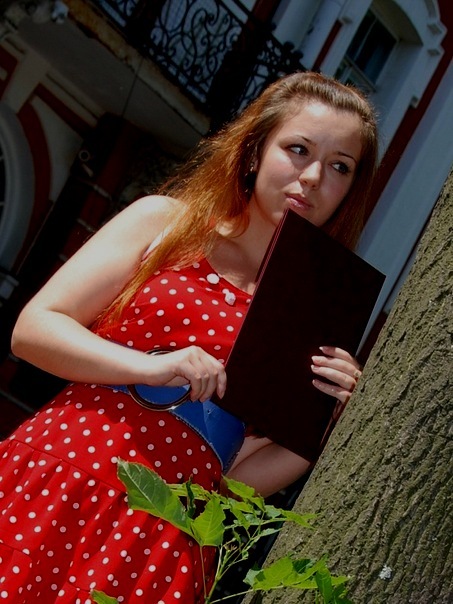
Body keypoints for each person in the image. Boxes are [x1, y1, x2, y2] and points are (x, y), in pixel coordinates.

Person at [0, 71, 378, 603]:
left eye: (340, 166)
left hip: (163, 539)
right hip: (64, 470)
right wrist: (150, 367)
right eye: (298, 149)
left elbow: (235, 483)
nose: (314, 176)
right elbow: (34, 329)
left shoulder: (316, 318)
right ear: (255, 152)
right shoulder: (167, 223)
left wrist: (327, 425)